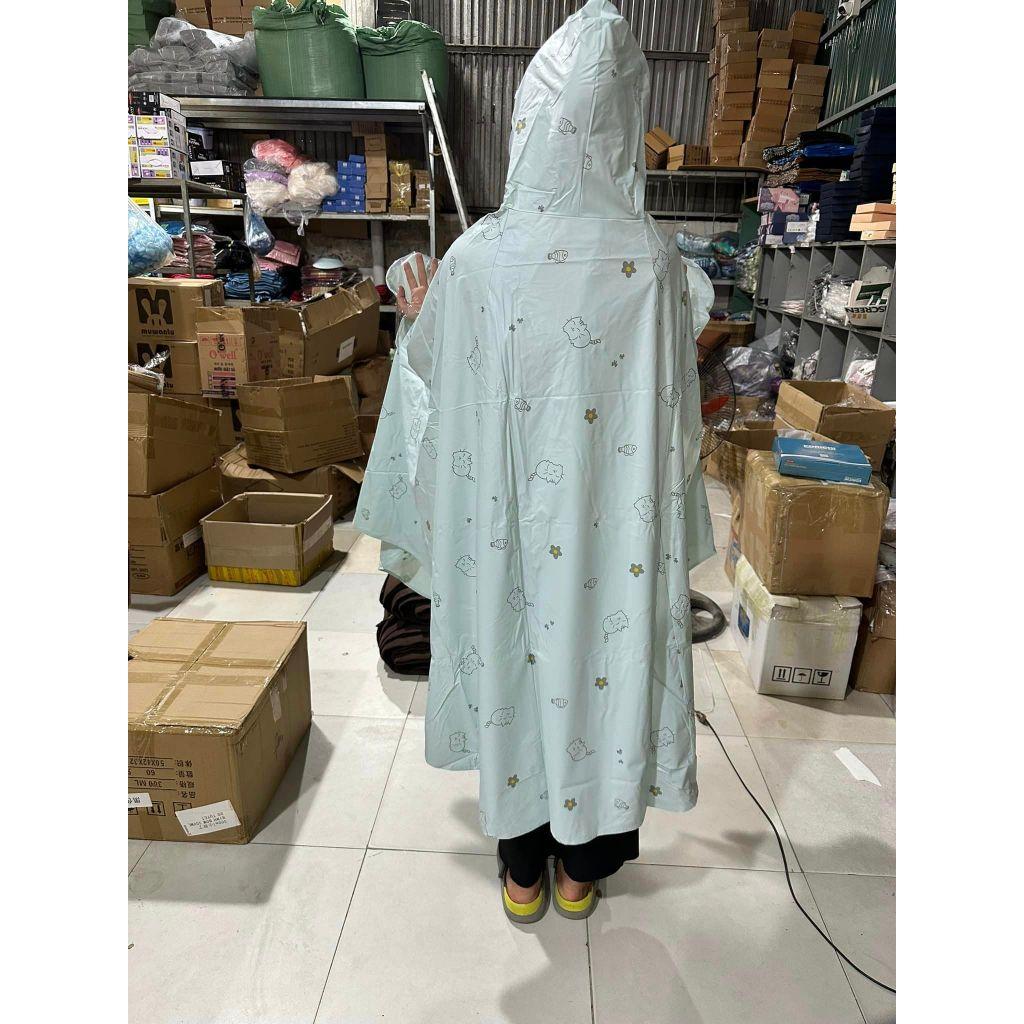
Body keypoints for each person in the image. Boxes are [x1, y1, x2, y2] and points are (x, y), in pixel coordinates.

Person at [356, 0, 715, 923]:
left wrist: (428, 319)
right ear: (625, 123)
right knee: (607, 663)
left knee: (515, 662)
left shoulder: (480, 257)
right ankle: (580, 872)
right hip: (615, 536)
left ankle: (522, 875)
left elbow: (434, 375)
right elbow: (676, 407)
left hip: (509, 531)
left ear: (530, 120)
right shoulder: (655, 260)